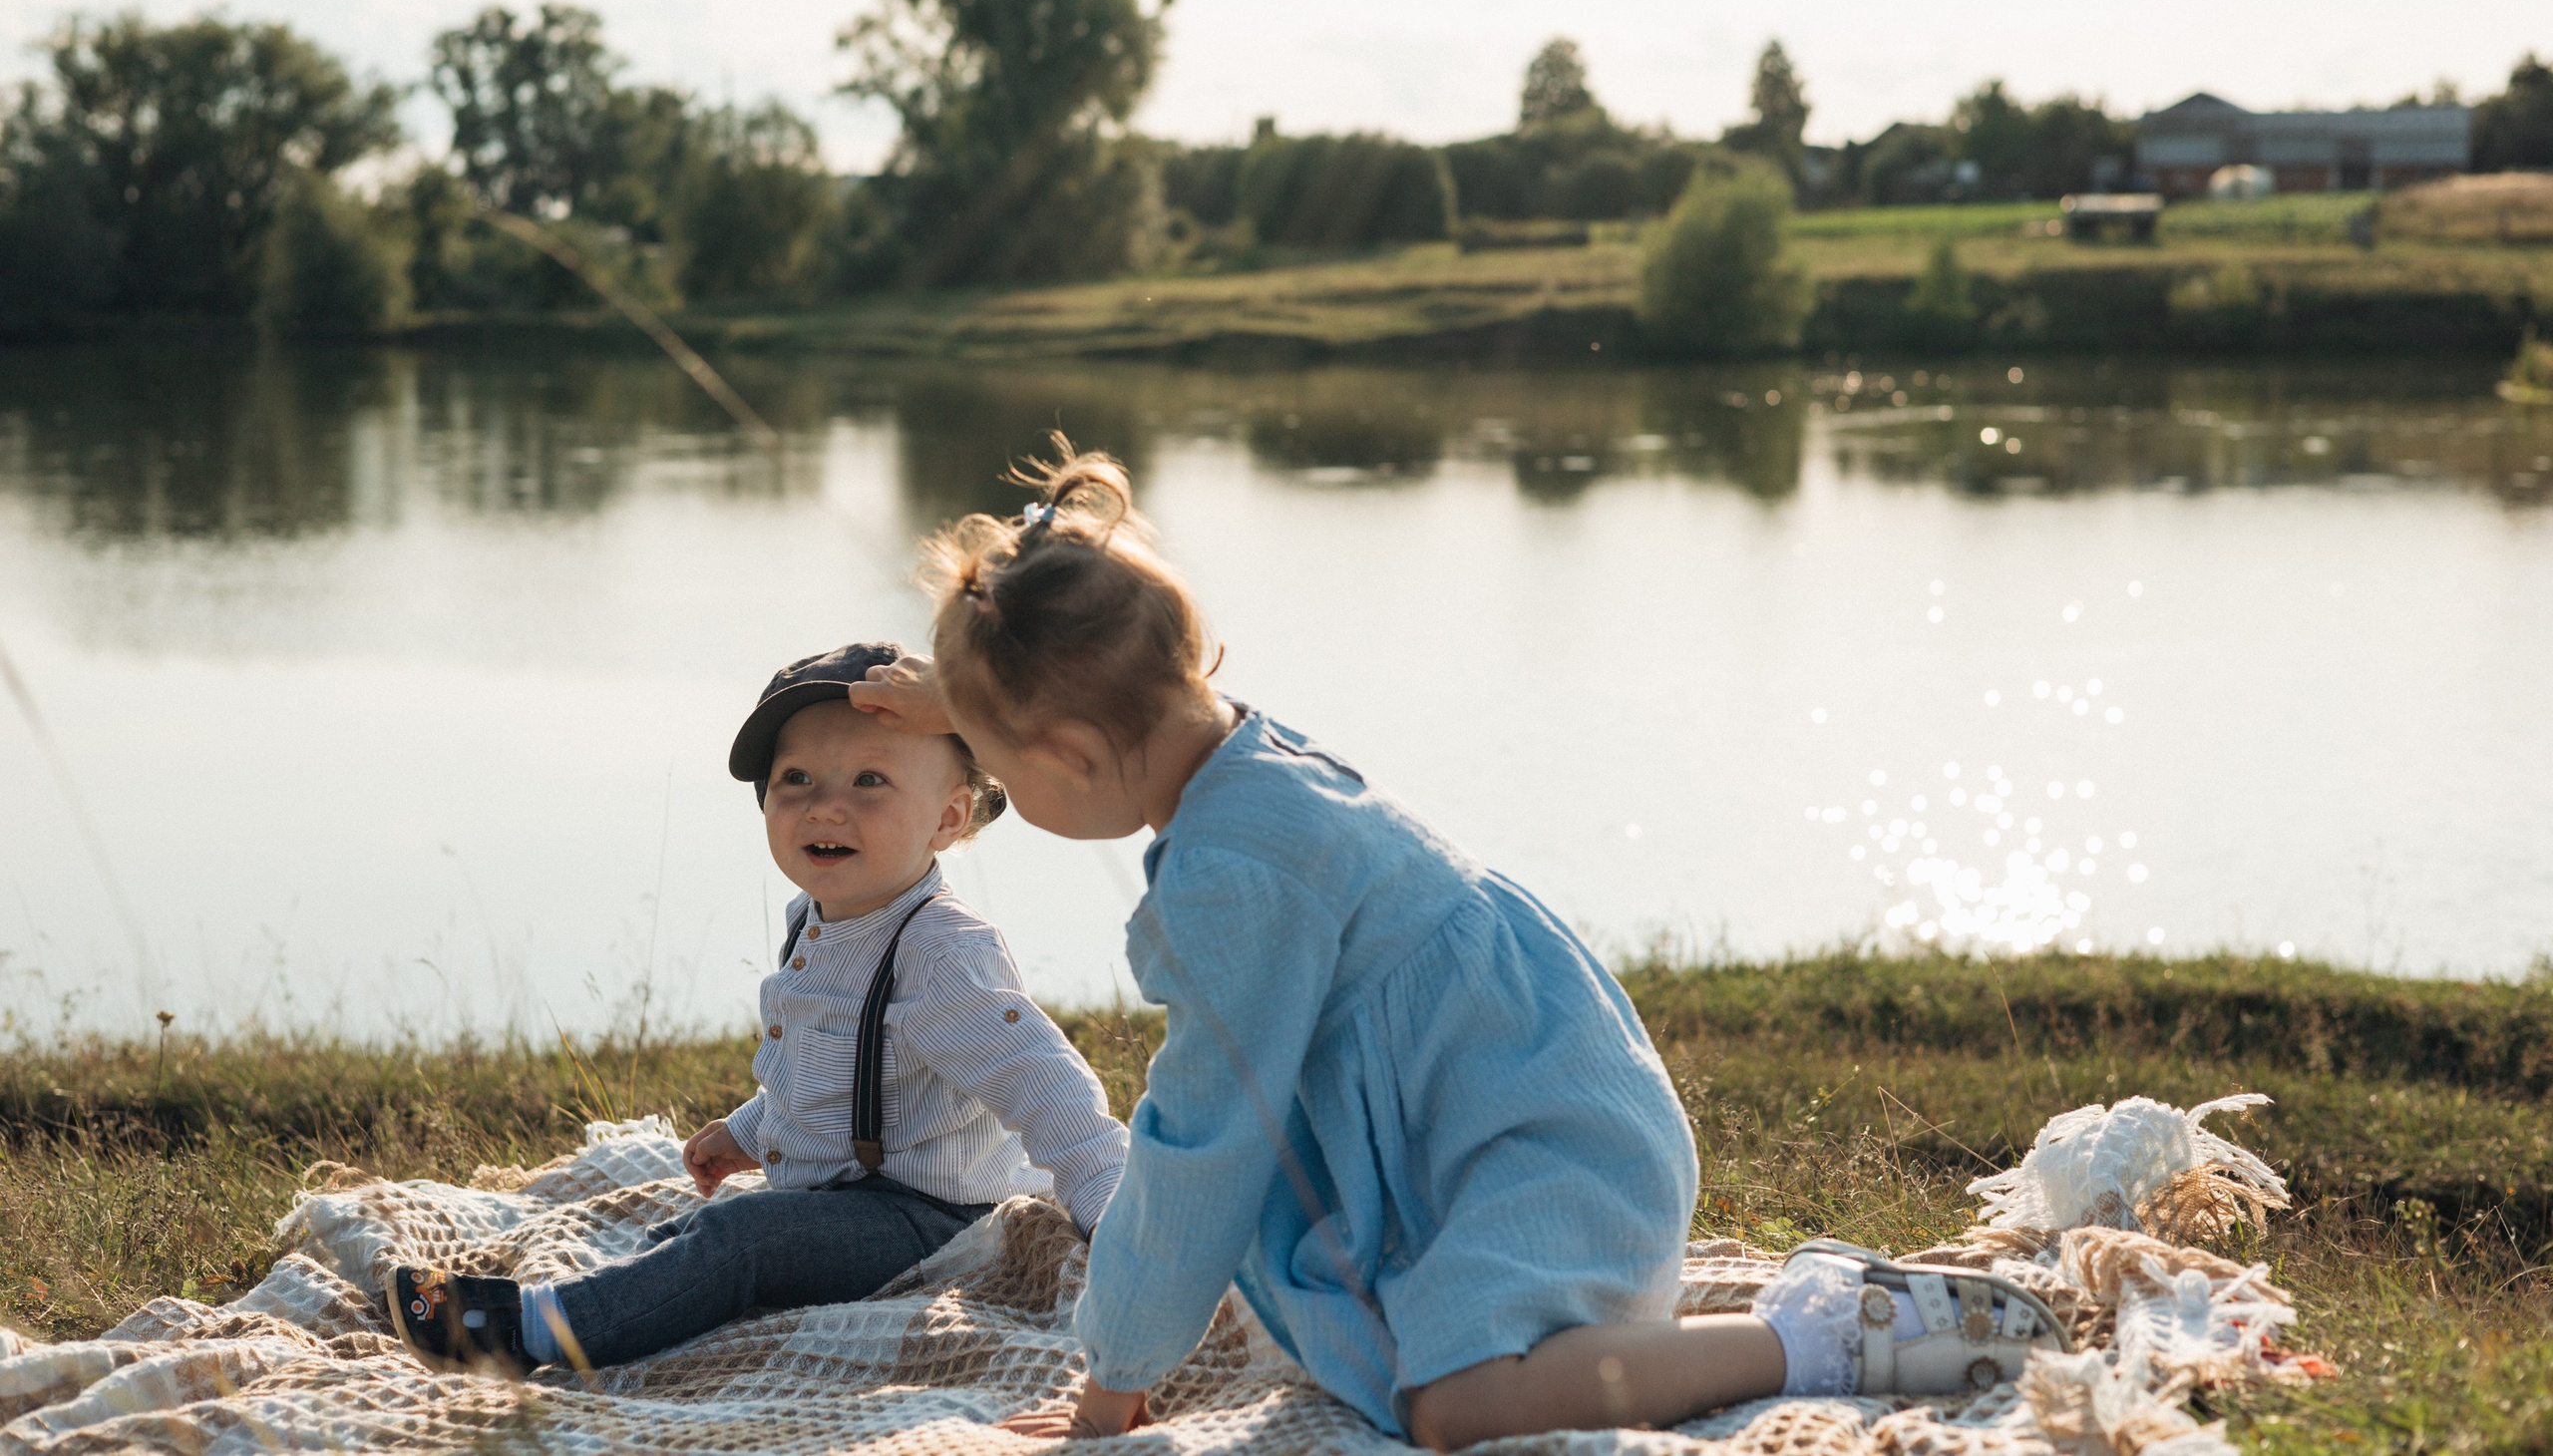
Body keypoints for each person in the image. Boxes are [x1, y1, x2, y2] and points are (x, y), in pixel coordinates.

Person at [847, 444, 2062, 1448]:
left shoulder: (1231, 883)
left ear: (1062, 754)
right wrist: (963, 703)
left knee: (1452, 1410)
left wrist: (1114, 1379)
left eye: (1002, 773)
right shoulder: (1229, 746)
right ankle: (1798, 1318)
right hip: (1539, 1104)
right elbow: (1108, 685)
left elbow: (1201, 1138)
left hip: (1541, 1154)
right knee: (1413, 1362)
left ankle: (1831, 1338)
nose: (1006, 796)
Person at [388, 642, 1130, 1376]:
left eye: (870, 779)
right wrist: (750, 1128)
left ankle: (523, 1334)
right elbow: (825, 1069)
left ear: (947, 818)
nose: (825, 804)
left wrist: (1118, 1213)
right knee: (701, 1234)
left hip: (931, 1219)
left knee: (739, 1240)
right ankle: (627, 1293)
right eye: (795, 778)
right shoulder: (815, 917)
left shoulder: (941, 952)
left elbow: (1046, 1083)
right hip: (850, 1200)